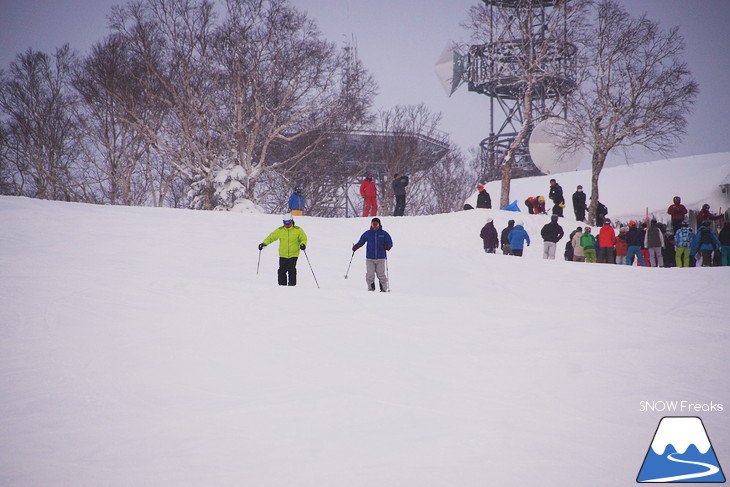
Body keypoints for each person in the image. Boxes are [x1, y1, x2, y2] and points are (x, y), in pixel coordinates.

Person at [258, 213, 308, 286]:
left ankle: (292, 284)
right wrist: (264, 244)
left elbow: (303, 238)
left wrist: (303, 244)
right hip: (283, 254)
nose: (286, 224)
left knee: (291, 269)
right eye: (285, 222)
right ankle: (282, 285)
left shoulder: (298, 230)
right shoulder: (280, 230)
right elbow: (271, 237)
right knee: (282, 270)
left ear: (292, 221)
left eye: (288, 222)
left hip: (294, 254)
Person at [352, 217, 393, 291]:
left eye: (376, 225)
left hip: (380, 258)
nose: (374, 226)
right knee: (369, 274)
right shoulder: (367, 233)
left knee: (381, 274)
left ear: (379, 225)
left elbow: (390, 242)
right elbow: (361, 242)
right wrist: (356, 246)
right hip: (370, 258)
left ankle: (383, 289)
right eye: (373, 224)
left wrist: (388, 246)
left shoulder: (384, 234)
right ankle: (371, 288)